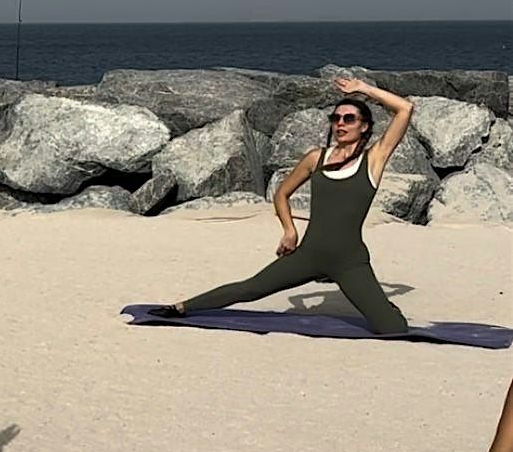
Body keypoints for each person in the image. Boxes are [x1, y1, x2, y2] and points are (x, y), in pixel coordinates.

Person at [154, 76, 413, 335]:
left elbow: (405, 109)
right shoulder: (316, 158)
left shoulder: (374, 160)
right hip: (308, 256)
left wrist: (364, 89)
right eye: (335, 119)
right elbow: (282, 193)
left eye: (349, 119)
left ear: (365, 127)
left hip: (349, 261)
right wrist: (290, 230)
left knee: (392, 328)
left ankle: (385, 308)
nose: (340, 124)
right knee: (250, 288)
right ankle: (181, 306)